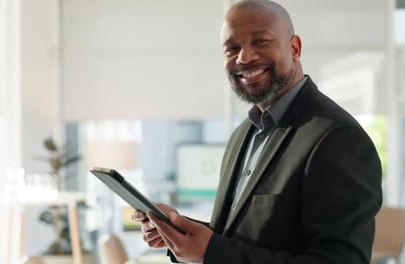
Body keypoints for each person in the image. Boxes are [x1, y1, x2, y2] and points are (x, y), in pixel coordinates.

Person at [132, 0, 383, 263]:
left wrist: (211, 252)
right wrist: (178, 228)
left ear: (294, 48)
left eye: (261, 41)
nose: (244, 57)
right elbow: (241, 236)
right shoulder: (244, 133)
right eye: (232, 48)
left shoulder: (338, 137)